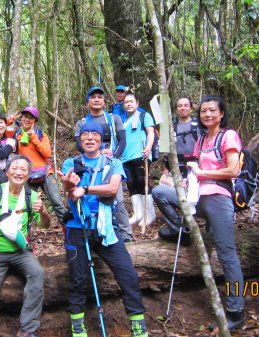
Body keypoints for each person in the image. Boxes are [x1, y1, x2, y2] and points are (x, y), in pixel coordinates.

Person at [152, 96, 245, 330]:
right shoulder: (202, 139)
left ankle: (235, 311)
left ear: (221, 113)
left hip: (218, 199)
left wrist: (202, 173)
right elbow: (192, 169)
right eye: (204, 111)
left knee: (226, 254)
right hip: (196, 198)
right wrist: (187, 181)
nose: (207, 115)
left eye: (212, 111)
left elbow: (233, 169)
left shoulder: (228, 136)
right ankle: (179, 229)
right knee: (160, 192)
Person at [60, 121, 149, 337]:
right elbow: (70, 193)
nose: (90, 138)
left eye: (95, 134)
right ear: (80, 139)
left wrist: (86, 188)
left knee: (128, 275)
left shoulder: (113, 162)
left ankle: (137, 323)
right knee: (78, 279)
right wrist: (70, 186)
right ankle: (78, 326)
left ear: (101, 139)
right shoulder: (70, 163)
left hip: (106, 229)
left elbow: (112, 189)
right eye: (85, 135)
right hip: (77, 227)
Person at [0, 155, 49, 337]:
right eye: (14, 168)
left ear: (29, 174)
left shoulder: (32, 195)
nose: (19, 172)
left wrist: (43, 211)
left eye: (23, 169)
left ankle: (28, 330)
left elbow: (45, 225)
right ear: (7, 172)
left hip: (21, 250)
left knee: (38, 273)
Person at [74, 87, 132, 242]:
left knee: (117, 199)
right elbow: (80, 145)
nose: (97, 99)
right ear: (88, 102)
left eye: (100, 97)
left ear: (104, 101)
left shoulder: (114, 119)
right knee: (91, 197)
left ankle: (126, 235)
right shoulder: (82, 123)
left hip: (111, 165)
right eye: (93, 97)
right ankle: (93, 232)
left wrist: (113, 157)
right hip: (89, 165)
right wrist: (99, 151)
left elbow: (122, 140)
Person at [153, 96, 202, 244]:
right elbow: (167, 153)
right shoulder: (171, 128)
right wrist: (166, 170)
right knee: (163, 193)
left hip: (196, 170)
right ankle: (179, 228)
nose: (183, 108)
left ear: (191, 108)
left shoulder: (199, 126)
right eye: (180, 106)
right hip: (177, 170)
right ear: (176, 109)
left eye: (186, 106)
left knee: (194, 198)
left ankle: (204, 232)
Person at [14, 106, 66, 222]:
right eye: (25, 116)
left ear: (35, 121)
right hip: (28, 175)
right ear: (21, 118)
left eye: (31, 118)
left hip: (45, 173)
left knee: (57, 202)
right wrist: (8, 121)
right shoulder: (17, 135)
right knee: (26, 206)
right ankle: (25, 234)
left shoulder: (41, 134)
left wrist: (34, 138)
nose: (27, 119)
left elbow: (47, 153)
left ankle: (68, 231)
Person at [120, 93, 156, 229]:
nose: (129, 104)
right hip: (126, 158)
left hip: (140, 154)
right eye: (126, 102)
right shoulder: (124, 121)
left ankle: (149, 214)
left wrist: (148, 147)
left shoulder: (143, 116)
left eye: (131, 101)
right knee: (131, 185)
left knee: (142, 182)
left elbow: (150, 132)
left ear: (137, 103)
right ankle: (138, 213)